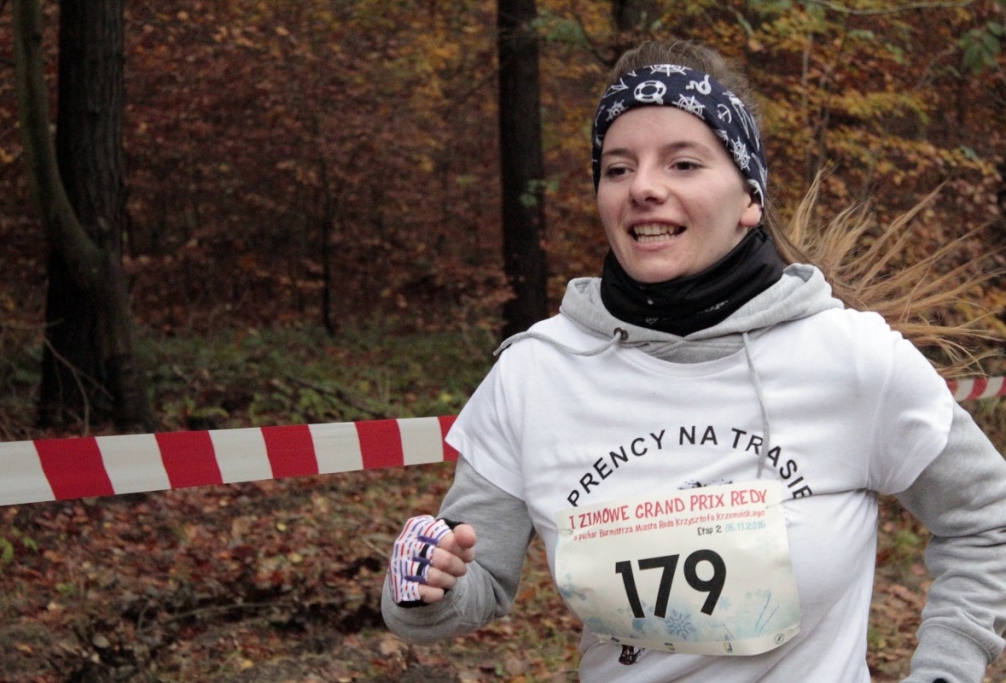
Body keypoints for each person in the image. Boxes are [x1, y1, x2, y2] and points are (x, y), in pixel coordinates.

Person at [381, 39, 1006, 682]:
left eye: (682, 164)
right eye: (618, 169)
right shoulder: (534, 374)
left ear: (750, 198)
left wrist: (946, 671)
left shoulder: (850, 358)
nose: (643, 187)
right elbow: (470, 585)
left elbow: (989, 520)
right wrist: (426, 584)